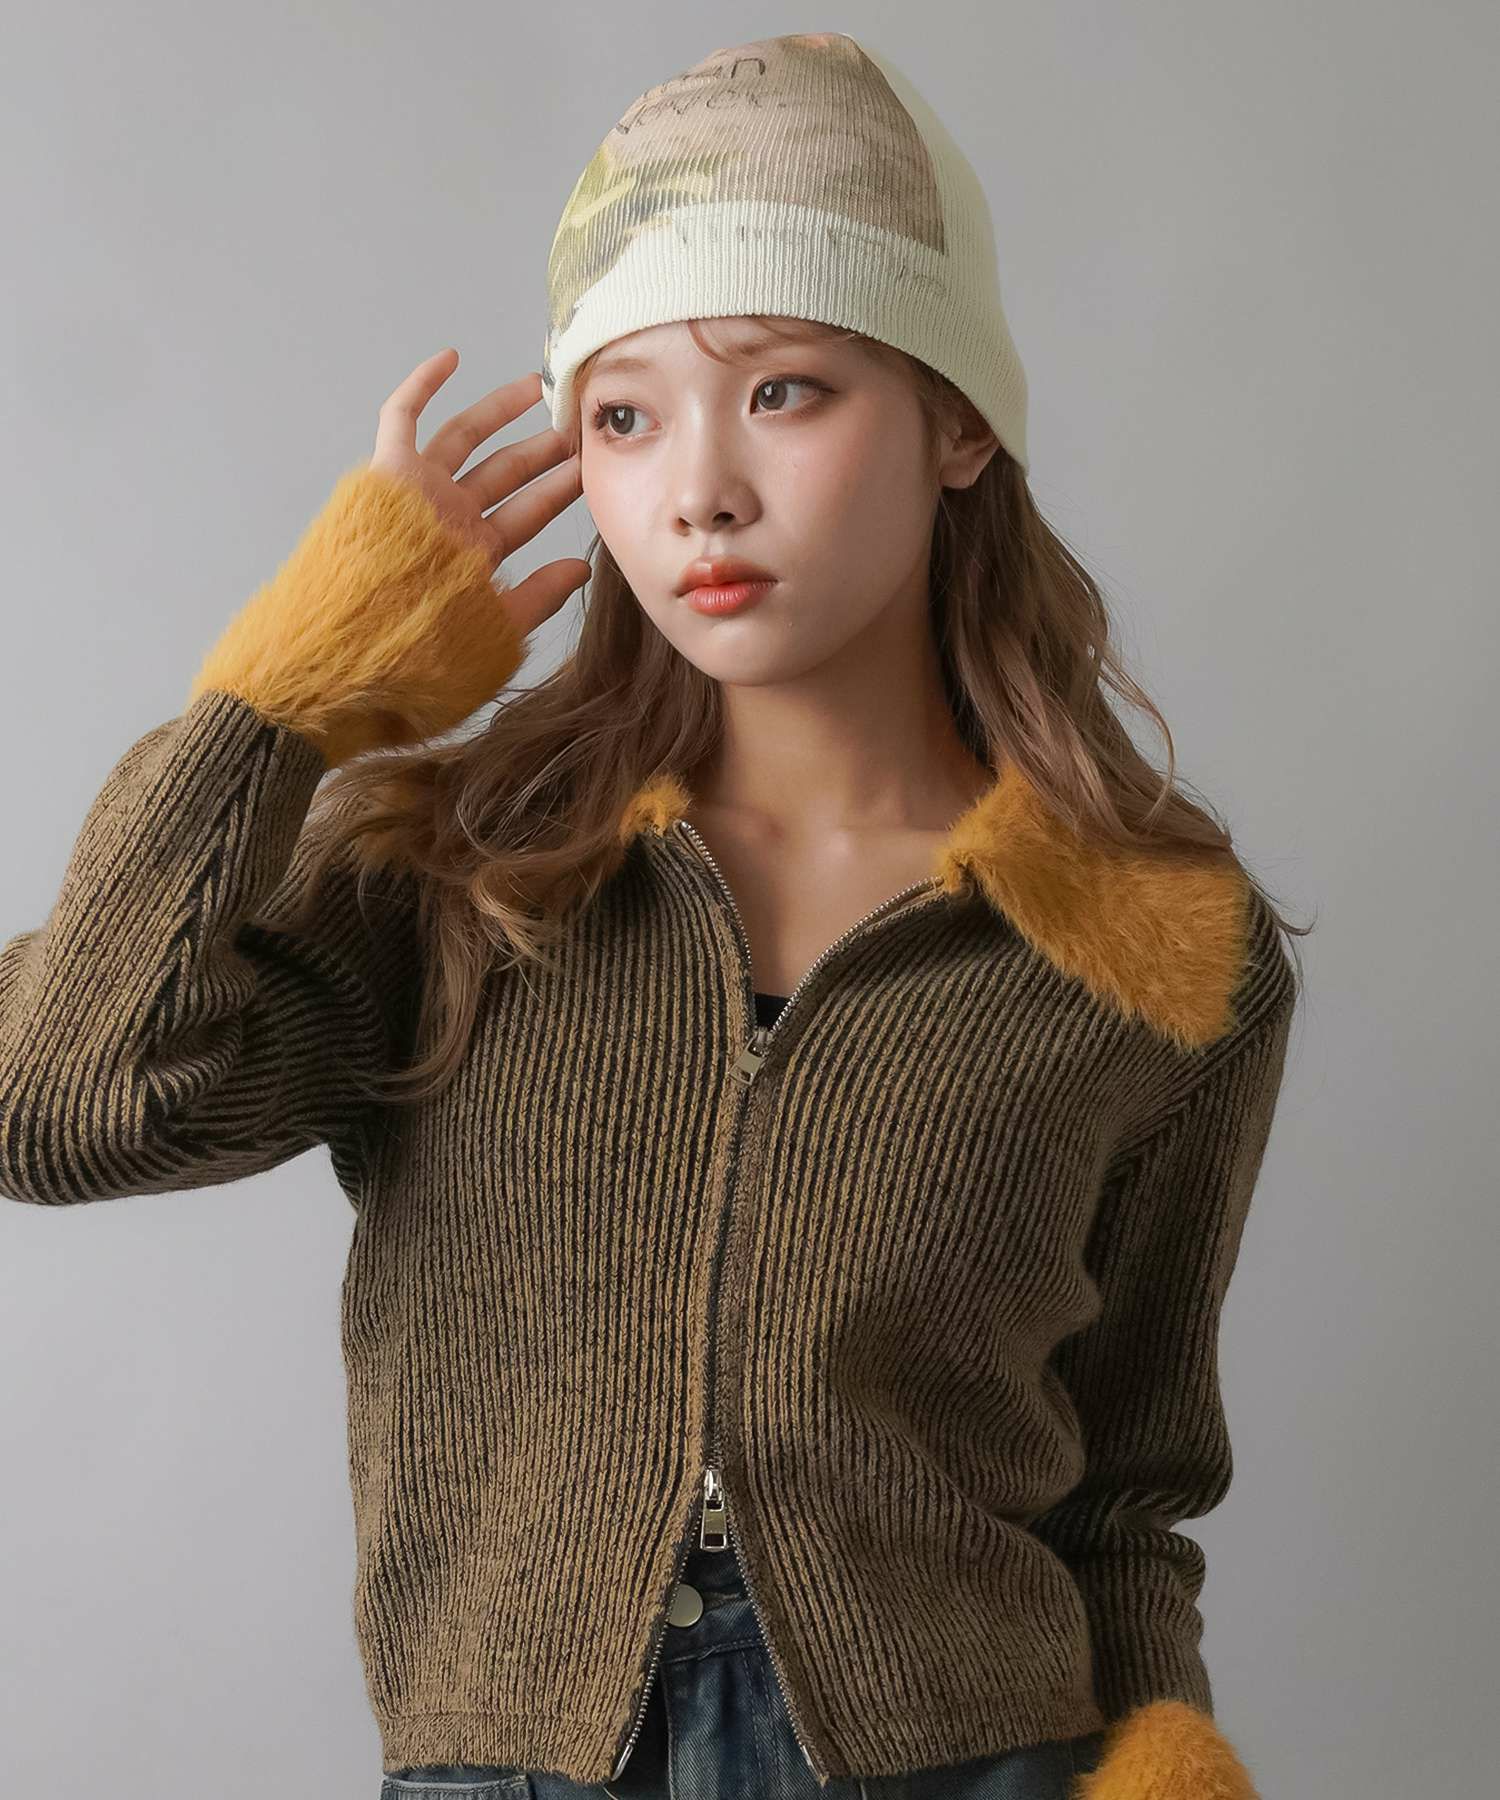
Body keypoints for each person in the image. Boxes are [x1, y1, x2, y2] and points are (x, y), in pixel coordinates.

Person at [0, 30, 1309, 1800]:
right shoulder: (453, 879)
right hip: (513, 1766)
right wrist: (281, 707)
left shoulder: (1149, 940)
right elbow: (51, 1106)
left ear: (959, 421)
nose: (698, 488)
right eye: (623, 416)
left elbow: (1128, 1492)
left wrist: (1165, 1762)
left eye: (786, 390)